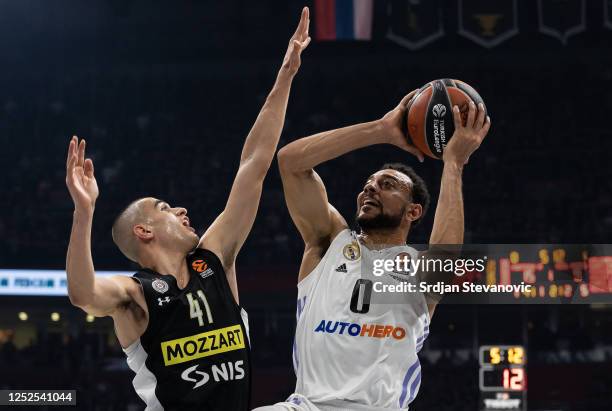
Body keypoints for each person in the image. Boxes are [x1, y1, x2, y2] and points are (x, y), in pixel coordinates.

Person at [64, 8, 311, 411]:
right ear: (144, 231)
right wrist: (83, 212)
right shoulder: (134, 295)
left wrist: (286, 75)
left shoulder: (215, 257)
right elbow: (81, 293)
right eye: (164, 207)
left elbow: (254, 163)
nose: (180, 208)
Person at [257, 92, 490, 410]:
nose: (370, 187)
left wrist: (454, 163)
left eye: (388, 185)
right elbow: (291, 163)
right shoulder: (327, 242)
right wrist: (380, 130)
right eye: (368, 183)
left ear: (413, 212)